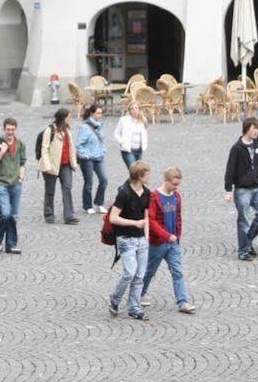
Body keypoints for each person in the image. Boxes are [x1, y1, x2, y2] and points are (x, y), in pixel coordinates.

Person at [142, 165, 195, 314]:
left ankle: (182, 302)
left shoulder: (176, 196)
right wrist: (167, 235)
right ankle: (140, 293)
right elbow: (151, 221)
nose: (176, 187)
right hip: (158, 243)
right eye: (174, 184)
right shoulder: (154, 197)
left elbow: (178, 216)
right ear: (166, 180)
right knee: (149, 271)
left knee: (178, 272)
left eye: (178, 184)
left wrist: (177, 235)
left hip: (173, 243)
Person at [106, 160, 153, 319]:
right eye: (147, 175)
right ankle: (115, 299)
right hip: (125, 238)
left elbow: (146, 216)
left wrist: (146, 237)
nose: (149, 177)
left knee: (140, 275)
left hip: (141, 239)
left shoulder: (147, 193)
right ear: (140, 176)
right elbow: (113, 218)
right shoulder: (124, 192)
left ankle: (134, 307)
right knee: (129, 273)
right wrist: (135, 223)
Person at [221, 116, 258, 261]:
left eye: (257, 128)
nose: (256, 131)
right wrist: (228, 190)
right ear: (247, 129)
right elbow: (230, 169)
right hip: (242, 190)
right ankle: (243, 251)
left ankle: (247, 242)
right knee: (243, 220)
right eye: (254, 128)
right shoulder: (236, 148)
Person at [0, 116, 26, 253]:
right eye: (8, 129)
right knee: (5, 213)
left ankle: (11, 245)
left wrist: (21, 176)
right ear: (4, 129)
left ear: (15, 129)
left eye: (12, 129)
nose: (10, 132)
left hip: (15, 183)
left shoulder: (20, 143)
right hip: (1, 182)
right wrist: (2, 152)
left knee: (13, 215)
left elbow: (22, 162)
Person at [37, 107, 77, 224]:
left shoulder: (67, 130)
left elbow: (71, 148)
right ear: (64, 118)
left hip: (65, 165)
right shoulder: (50, 131)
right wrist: (47, 166)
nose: (71, 118)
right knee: (50, 191)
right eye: (69, 116)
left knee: (67, 189)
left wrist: (73, 163)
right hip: (52, 166)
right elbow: (44, 149)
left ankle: (69, 216)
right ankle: (49, 214)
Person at [75, 104, 108, 216]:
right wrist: (85, 155)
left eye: (101, 113)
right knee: (89, 183)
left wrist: (103, 150)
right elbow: (79, 144)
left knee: (104, 180)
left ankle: (99, 203)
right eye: (98, 113)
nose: (100, 115)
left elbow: (102, 140)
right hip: (87, 159)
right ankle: (88, 206)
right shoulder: (85, 127)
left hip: (98, 157)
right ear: (92, 113)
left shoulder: (100, 125)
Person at [114, 100, 149, 172]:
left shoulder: (143, 120)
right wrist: (121, 142)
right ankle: (130, 183)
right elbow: (116, 133)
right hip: (128, 150)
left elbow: (145, 134)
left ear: (139, 109)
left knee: (139, 172)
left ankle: (134, 183)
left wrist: (144, 144)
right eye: (132, 108)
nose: (134, 110)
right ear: (129, 110)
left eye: (136, 108)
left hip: (139, 150)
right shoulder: (124, 120)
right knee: (133, 171)